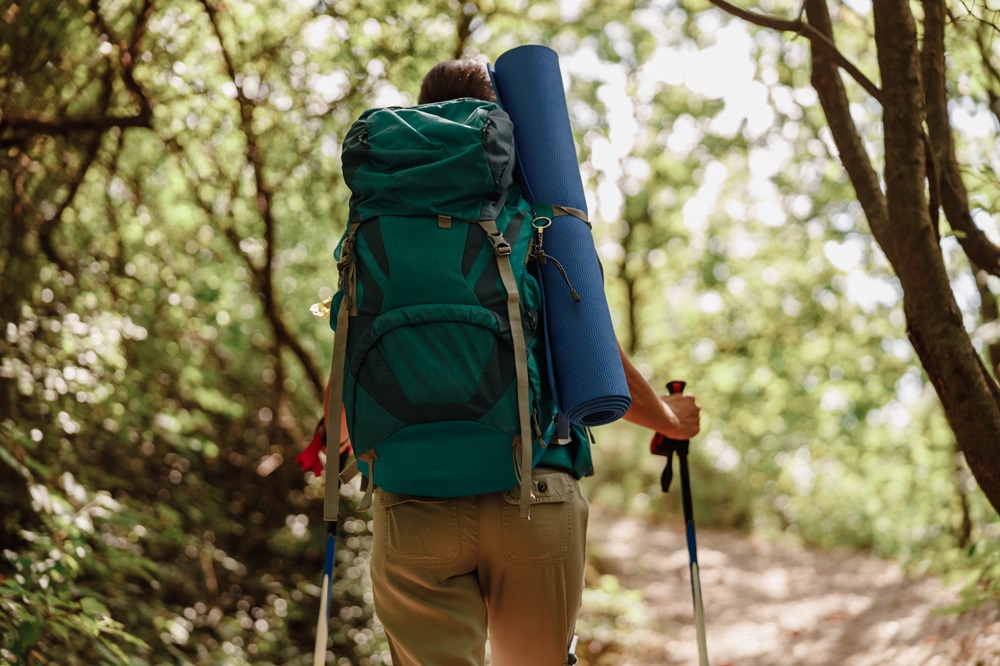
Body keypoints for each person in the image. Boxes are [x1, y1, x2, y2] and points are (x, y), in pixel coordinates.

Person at [351, 59, 702, 666]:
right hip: (533, 490)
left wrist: (329, 442)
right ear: (504, 122)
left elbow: (351, 347)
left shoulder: (381, 218)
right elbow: (595, 355)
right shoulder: (532, 213)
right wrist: (671, 420)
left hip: (411, 498)